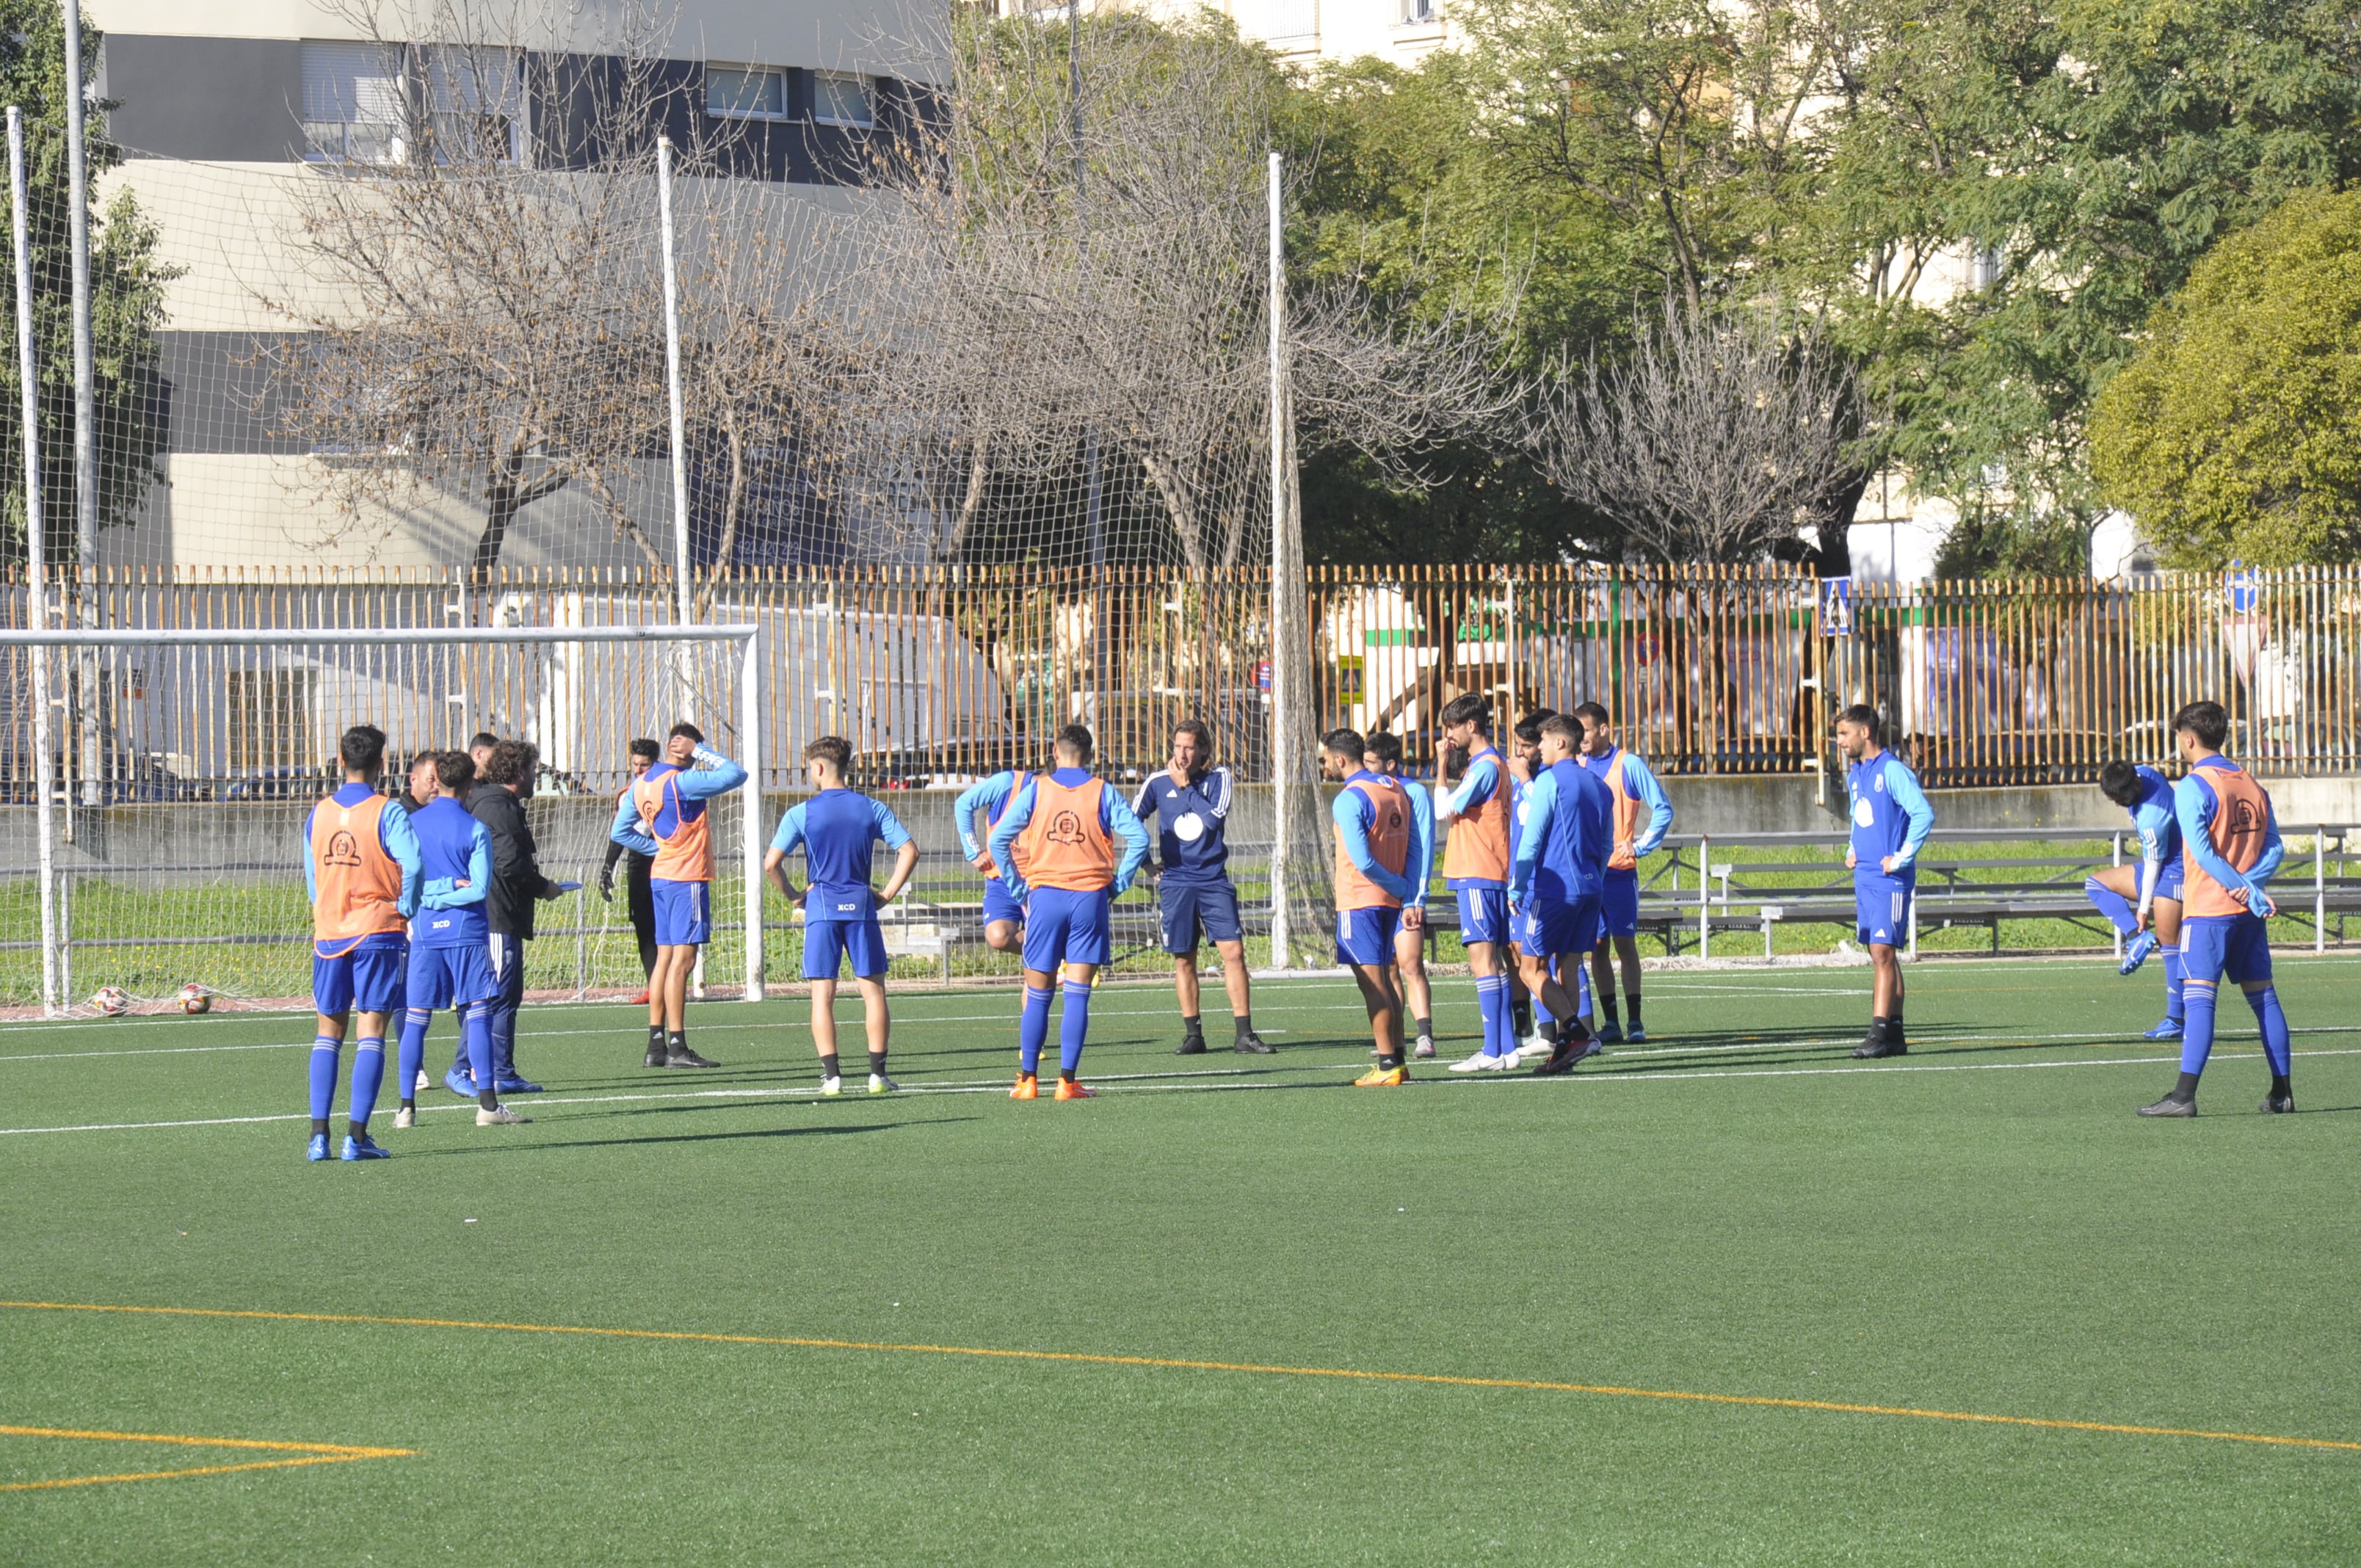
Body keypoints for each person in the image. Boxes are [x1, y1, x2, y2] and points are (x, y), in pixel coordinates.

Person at [2139, 702, 2294, 1117]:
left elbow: (2203, 853)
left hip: (2209, 909)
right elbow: (2275, 846)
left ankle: (2183, 1098)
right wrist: (2252, 889)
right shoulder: (2249, 782)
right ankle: (2283, 1093)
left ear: (2188, 738)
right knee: (2264, 998)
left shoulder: (2192, 785)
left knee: (2199, 999)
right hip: (2246, 915)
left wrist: (2238, 889)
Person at [987, 724, 1150, 1100]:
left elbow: (998, 839)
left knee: (1038, 991)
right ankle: (1067, 1083)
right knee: (1077, 995)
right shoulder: (1103, 791)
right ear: (1091, 757)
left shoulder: (1037, 789)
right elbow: (1139, 839)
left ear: (1055, 753)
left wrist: (1019, 889)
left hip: (1044, 897)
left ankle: (1028, 1081)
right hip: (1089, 898)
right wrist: (1117, 884)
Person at [765, 736, 921, 1096]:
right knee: (874, 993)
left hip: (821, 907)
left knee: (823, 997)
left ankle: (832, 1077)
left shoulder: (801, 813)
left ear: (819, 768)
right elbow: (910, 851)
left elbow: (771, 864)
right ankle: (877, 1075)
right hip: (861, 904)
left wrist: (793, 895)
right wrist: (886, 894)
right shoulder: (871, 808)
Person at [302, 725, 422, 1162]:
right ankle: (356, 1138)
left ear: (340, 762)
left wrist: (328, 908)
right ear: (383, 764)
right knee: (371, 1031)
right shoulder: (388, 812)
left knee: (327, 1033)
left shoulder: (319, 813)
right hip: (378, 930)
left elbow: (313, 878)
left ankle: (319, 1138)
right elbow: (413, 863)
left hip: (330, 933)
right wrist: (405, 906)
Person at [396, 752, 528, 1128]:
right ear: (471, 786)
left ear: (437, 781)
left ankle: (406, 1108)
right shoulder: (474, 829)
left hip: (425, 933)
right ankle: (488, 1106)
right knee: (479, 1016)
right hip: (467, 933)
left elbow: (408, 883)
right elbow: (479, 889)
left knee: (417, 1020)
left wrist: (429, 897)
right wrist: (450, 887)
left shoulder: (411, 824)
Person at [610, 722, 748, 1070]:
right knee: (683, 962)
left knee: (664, 959)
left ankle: (655, 1045)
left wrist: (656, 849)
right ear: (685, 749)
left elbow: (619, 831)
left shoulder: (642, 784)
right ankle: (677, 1045)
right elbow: (736, 774)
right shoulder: (683, 781)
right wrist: (698, 751)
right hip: (687, 878)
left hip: (661, 877)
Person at [1131, 719, 1270, 1056]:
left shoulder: (1219, 778)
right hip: (1176, 883)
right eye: (1177, 746)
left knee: (1233, 953)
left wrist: (1185, 788)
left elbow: (1211, 820)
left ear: (1203, 750)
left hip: (1212, 881)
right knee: (1184, 960)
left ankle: (1244, 1034)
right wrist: (1146, 863)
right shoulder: (1157, 782)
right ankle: (1194, 1035)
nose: (1181, 754)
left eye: (1189, 747)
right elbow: (1130, 821)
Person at [463, 738, 574, 1097]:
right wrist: (543, 887)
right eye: (532, 770)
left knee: (501, 995)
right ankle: (479, 1069)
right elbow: (509, 864)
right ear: (518, 772)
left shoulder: (498, 804)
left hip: (502, 915)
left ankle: (490, 1069)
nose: (534, 777)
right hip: (497, 916)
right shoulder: (497, 807)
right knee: (497, 997)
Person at [1508, 714, 1611, 1075]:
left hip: (1554, 892)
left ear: (1561, 743)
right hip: (1590, 890)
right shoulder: (1600, 786)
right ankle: (1566, 1053)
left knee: (1530, 969)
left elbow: (1533, 839)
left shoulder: (1549, 781)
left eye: (1544, 741)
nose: (1539, 748)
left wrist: (1517, 886)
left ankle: (1575, 1032)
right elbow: (1606, 844)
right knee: (1568, 965)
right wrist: (1592, 882)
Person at [1321, 728, 1421, 1087]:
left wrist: (1397, 886)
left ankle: (1386, 1064)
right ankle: (1398, 1058)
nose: (1325, 765)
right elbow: (1415, 848)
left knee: (1373, 984)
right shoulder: (1395, 789)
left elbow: (1362, 860)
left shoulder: (1350, 798)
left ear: (1341, 759)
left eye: (1326, 759)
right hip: (1389, 902)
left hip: (1359, 899)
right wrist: (1406, 893)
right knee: (1388, 980)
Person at [1835, 705, 1934, 1059]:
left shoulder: (1893, 771)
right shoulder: (1856, 774)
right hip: (1865, 875)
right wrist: (1852, 846)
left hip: (1890, 878)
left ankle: (1877, 1032)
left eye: (1845, 734)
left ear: (1865, 733)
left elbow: (1923, 813)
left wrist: (1902, 857)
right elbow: (1859, 817)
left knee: (1882, 952)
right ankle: (1894, 1032)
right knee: (1882, 953)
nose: (1840, 742)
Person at [1573, 701, 1673, 1044]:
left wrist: (1640, 845)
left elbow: (1662, 808)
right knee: (1596, 947)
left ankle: (1635, 1022)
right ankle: (1611, 1022)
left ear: (1603, 729)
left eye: (1585, 729)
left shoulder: (1628, 764)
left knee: (1625, 944)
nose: (1580, 737)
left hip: (1618, 873)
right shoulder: (1577, 765)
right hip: (1588, 875)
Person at [1432, 693, 1517, 1071]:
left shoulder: (1485, 766)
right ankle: (1506, 1048)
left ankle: (1491, 1050)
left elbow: (1442, 810)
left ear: (1471, 725)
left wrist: (1438, 766)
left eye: (1452, 727)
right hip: (1489, 870)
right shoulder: (1487, 764)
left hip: (1479, 871)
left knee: (1482, 961)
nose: (1448, 735)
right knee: (1494, 962)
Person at [2095, 758, 2189, 1040]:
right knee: (2096, 884)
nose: (2117, 804)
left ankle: (2175, 1019)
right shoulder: (2144, 773)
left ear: (2135, 785)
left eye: (2120, 799)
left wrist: (2143, 910)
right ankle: (2137, 938)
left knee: (2169, 941)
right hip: (2159, 863)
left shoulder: (2152, 818)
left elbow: (2152, 867)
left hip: (2175, 870)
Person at [1362, 730, 1437, 1060]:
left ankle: (1425, 1036)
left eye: (1370, 763)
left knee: (1411, 964)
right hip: (1381, 895)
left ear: (1390, 764)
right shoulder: (1369, 792)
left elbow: (1422, 847)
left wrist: (1417, 898)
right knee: (1388, 968)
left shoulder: (1414, 792)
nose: (1365, 770)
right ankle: (1396, 1041)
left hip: (1406, 896)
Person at [598, 738, 662, 1004]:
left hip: (664, 861)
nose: (638, 769)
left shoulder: (665, 789)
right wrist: (607, 868)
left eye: (644, 765)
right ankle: (654, 988)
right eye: (635, 764)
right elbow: (619, 834)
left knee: (665, 926)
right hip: (638, 862)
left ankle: (670, 984)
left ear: (655, 764)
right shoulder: (628, 794)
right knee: (643, 926)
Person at [954, 763, 1035, 957]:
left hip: (1039, 882)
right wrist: (974, 852)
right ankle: (1055, 949)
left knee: (1039, 958)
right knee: (999, 937)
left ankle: (1051, 950)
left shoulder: (1060, 800)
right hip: (1002, 880)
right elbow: (963, 804)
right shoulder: (1008, 783)